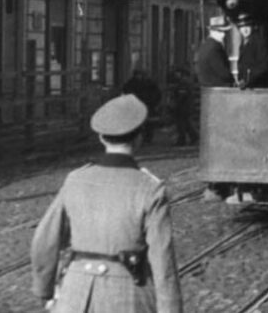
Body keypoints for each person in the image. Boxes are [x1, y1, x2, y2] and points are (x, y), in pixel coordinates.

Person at [30, 94, 183, 313]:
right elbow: (163, 262)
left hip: (75, 293)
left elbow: (44, 241)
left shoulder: (75, 179)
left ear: (101, 138)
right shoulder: (150, 189)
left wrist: (44, 290)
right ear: (139, 138)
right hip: (129, 296)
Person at [122, 70, 162, 144]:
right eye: (138, 75)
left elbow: (157, 93)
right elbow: (126, 93)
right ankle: (137, 138)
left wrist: (154, 102)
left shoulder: (149, 83)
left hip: (148, 105)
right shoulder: (130, 84)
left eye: (140, 75)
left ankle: (147, 138)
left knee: (148, 123)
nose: (139, 76)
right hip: (136, 106)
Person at [235, 13, 268, 89]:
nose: (245, 30)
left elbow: (264, 66)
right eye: (242, 27)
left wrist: (247, 80)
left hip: (258, 85)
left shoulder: (260, 42)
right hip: (246, 86)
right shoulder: (243, 43)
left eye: (247, 26)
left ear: (253, 27)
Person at [196, 16, 235, 87]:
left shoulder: (206, 45)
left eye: (224, 32)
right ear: (212, 31)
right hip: (217, 89)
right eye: (219, 31)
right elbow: (223, 73)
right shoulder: (214, 48)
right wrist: (233, 80)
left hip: (208, 88)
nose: (223, 35)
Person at [167, 68, 199, 146]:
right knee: (186, 124)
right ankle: (193, 137)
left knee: (181, 124)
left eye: (177, 73)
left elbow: (182, 95)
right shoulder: (183, 82)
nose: (176, 75)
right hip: (184, 107)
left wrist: (175, 104)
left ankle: (182, 140)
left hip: (183, 107)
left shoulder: (183, 83)